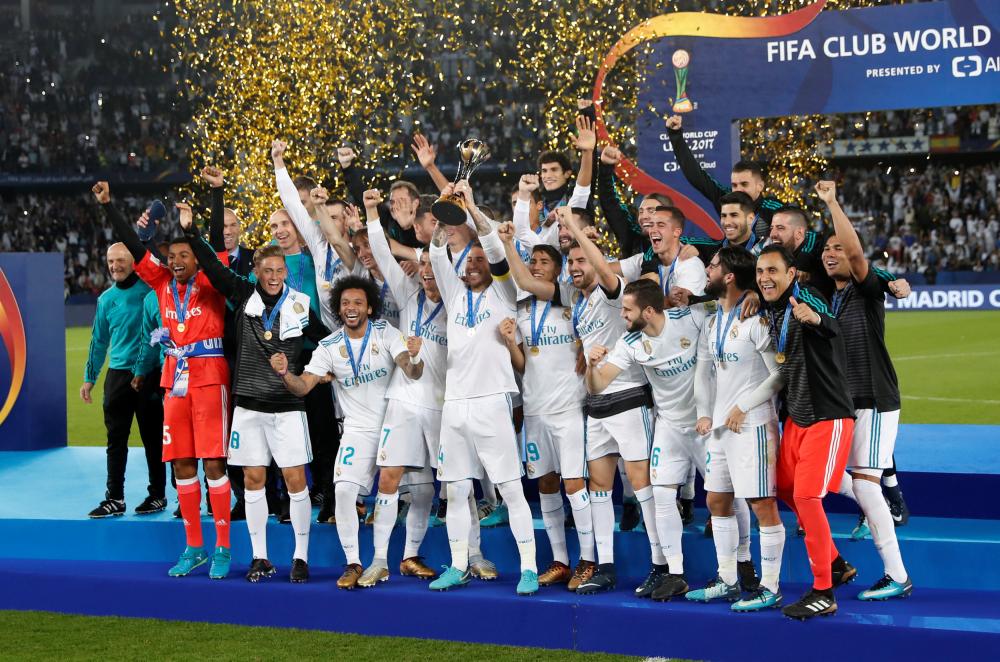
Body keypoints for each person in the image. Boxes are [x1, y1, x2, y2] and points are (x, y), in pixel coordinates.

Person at [508, 207, 662, 597]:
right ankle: (603, 566)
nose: (576, 267)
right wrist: (506, 242)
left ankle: (662, 564)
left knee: (641, 486)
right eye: (571, 262)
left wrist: (574, 228)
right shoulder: (576, 301)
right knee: (597, 487)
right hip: (595, 405)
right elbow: (525, 279)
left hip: (627, 398)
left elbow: (604, 272)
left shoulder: (614, 296)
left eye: (581, 261)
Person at [180, 201, 330, 584]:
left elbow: (324, 340)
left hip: (288, 405)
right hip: (248, 406)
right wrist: (190, 231)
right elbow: (212, 267)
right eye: (268, 270)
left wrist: (326, 367)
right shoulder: (242, 295)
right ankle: (260, 557)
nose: (275, 276)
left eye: (280, 270)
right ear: (258, 272)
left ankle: (300, 557)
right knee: (252, 481)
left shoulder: (299, 304)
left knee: (297, 481)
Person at [93, 181, 233, 580]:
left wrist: (216, 195)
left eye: (184, 255)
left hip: (209, 377)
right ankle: (194, 547)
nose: (175, 261)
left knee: (214, 464)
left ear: (197, 259)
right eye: (171, 256)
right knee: (183, 465)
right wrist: (108, 206)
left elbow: (214, 241)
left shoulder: (211, 280)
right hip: (175, 380)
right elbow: (135, 248)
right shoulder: (159, 284)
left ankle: (222, 546)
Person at [271, 275, 424, 589]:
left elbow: (411, 370)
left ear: (369, 308)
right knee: (341, 491)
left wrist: (415, 355)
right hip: (356, 429)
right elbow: (303, 387)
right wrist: (286, 374)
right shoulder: (329, 346)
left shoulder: (386, 332)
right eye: (345, 304)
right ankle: (354, 562)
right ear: (338, 310)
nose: (351, 308)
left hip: (393, 422)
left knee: (389, 483)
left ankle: (380, 561)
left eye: (357, 303)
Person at [426, 181, 539, 596]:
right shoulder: (454, 294)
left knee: (509, 488)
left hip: (492, 401)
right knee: (455, 490)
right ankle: (458, 564)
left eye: (479, 259)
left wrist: (472, 208)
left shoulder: (506, 294)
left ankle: (528, 567)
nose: (473, 264)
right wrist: (446, 212)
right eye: (468, 259)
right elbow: (438, 251)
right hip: (455, 404)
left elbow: (492, 246)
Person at [585, 279, 716, 601]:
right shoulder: (630, 342)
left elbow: (729, 304)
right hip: (670, 426)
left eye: (627, 310)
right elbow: (597, 386)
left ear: (648, 310)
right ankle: (673, 573)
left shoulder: (690, 317)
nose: (623, 316)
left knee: (723, 497)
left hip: (707, 422)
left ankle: (740, 571)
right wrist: (591, 365)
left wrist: (752, 295)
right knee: (660, 495)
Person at [817, 180, 912, 601]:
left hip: (874, 398)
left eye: (838, 248)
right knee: (832, 478)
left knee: (866, 485)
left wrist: (833, 202)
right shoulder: (827, 299)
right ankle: (883, 508)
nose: (832, 254)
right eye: (826, 250)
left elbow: (857, 255)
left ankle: (896, 574)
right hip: (848, 404)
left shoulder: (866, 288)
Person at [756, 245, 856, 620]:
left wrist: (815, 318)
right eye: (761, 271)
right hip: (797, 416)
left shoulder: (805, 297)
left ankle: (823, 591)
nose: (765, 277)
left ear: (791, 274)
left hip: (826, 416)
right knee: (783, 487)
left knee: (808, 496)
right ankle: (834, 562)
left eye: (773, 271)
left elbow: (833, 325)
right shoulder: (772, 307)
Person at [358, 188, 450, 585]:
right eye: (422, 265)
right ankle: (379, 559)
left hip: (442, 405)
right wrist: (371, 212)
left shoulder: (458, 302)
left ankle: (411, 555)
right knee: (391, 476)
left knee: (431, 487)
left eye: (433, 266)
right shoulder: (408, 295)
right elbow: (380, 252)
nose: (426, 272)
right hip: (403, 398)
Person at [690, 247, 786, 611]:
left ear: (729, 276)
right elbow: (702, 370)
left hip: (753, 426)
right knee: (717, 501)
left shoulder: (757, 321)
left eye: (713, 266)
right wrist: (704, 411)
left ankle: (770, 586)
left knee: (762, 503)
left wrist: (742, 407)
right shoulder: (713, 321)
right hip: (720, 427)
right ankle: (728, 579)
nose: (707, 270)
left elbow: (781, 373)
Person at [497, 234, 594, 589]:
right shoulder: (521, 310)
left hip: (569, 408)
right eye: (532, 261)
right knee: (546, 484)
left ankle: (588, 559)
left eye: (543, 262)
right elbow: (524, 365)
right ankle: (560, 561)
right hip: (536, 410)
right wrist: (510, 344)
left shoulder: (571, 301)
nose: (536, 266)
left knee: (573, 483)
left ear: (557, 270)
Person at [82, 242, 166, 518]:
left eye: (120, 260)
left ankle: (158, 494)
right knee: (115, 439)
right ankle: (115, 497)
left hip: (150, 374)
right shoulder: (106, 299)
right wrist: (89, 377)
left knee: (153, 438)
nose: (115, 266)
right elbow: (99, 340)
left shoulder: (151, 293)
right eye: (110, 261)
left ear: (133, 262)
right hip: (117, 375)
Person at [666, 114, 785, 239]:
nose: (738, 189)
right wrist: (676, 136)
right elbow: (695, 175)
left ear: (760, 186)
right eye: (734, 185)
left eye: (744, 184)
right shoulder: (725, 197)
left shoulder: (773, 208)